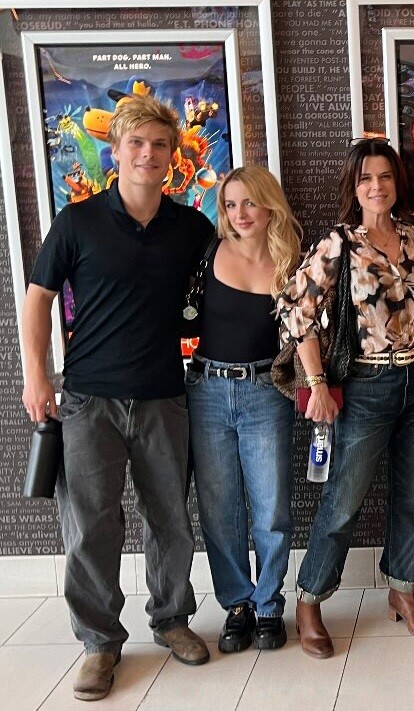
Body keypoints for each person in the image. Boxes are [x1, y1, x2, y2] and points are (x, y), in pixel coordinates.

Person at [21, 94, 212, 701]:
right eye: (136, 143)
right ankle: (100, 642)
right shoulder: (77, 222)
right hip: (87, 400)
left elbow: (230, 286)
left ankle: (171, 619)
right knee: (90, 526)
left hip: (164, 396)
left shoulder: (192, 228)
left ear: (172, 154)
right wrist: (36, 375)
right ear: (116, 150)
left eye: (159, 145)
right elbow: (37, 298)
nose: (147, 154)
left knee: (171, 520)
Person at [276, 138, 414, 658]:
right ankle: (310, 599)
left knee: (413, 496)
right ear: (354, 187)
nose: (376, 186)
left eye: (385, 176)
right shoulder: (339, 243)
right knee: (345, 498)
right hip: (366, 387)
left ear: (397, 183)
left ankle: (403, 590)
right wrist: (317, 383)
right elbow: (296, 312)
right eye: (366, 178)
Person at [186, 166, 301, 653]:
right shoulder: (207, 251)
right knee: (219, 508)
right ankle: (237, 605)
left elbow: (305, 333)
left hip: (266, 391)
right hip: (207, 390)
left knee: (271, 507)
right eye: (230, 205)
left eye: (249, 202)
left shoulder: (292, 261)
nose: (240, 214)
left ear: (269, 204)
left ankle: (269, 604)